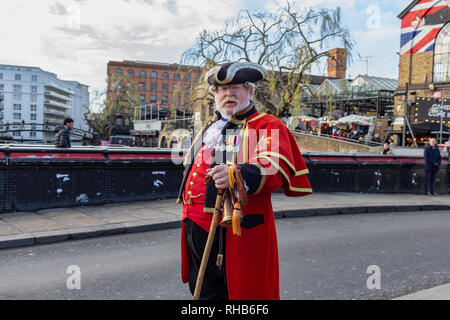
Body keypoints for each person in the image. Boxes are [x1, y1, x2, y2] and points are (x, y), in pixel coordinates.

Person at [177, 61, 312, 300]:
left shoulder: (267, 124)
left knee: (233, 293)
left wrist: (236, 173)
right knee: (203, 290)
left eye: (236, 87)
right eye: (221, 89)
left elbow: (272, 167)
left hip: (232, 230)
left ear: (250, 91)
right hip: (194, 225)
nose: (228, 93)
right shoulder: (210, 127)